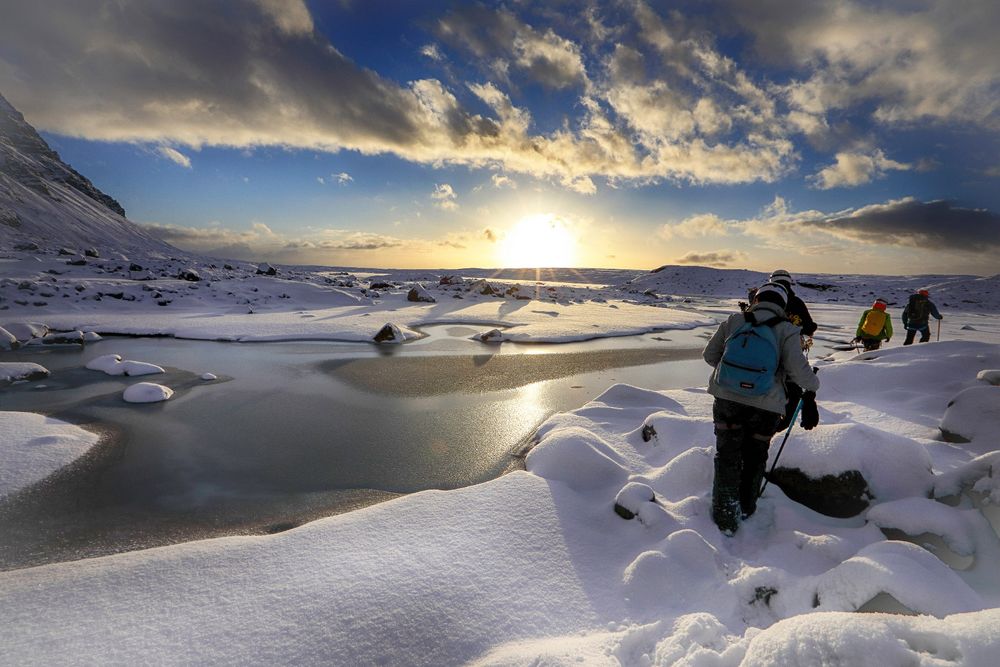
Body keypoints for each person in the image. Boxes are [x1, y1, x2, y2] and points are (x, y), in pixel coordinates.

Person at [703, 282, 821, 535]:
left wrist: (732, 377)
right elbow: (798, 372)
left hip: (726, 401)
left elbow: (710, 356)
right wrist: (813, 386)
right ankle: (746, 507)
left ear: (757, 299)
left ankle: (725, 515)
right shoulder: (787, 331)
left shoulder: (734, 321)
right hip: (765, 407)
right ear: (782, 304)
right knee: (756, 455)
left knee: (727, 455)